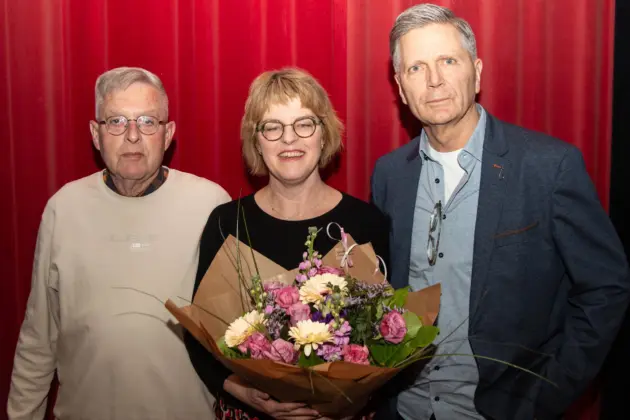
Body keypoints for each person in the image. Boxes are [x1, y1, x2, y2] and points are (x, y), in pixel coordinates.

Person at [370, 4, 630, 420]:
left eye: (448, 61)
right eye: (416, 68)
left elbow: (605, 288)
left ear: (476, 73)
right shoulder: (389, 175)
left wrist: (547, 393)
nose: (434, 80)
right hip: (405, 408)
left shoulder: (549, 167)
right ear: (401, 87)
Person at [7, 67, 230, 420]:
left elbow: (237, 331)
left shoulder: (211, 205)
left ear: (168, 134)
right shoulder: (63, 209)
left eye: (147, 122)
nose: (132, 136)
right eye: (116, 122)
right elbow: (38, 338)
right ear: (96, 134)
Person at [185, 67, 390, 420]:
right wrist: (244, 392)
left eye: (304, 124)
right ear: (257, 141)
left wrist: (349, 402)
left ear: (324, 135)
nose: (289, 139)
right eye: (272, 127)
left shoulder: (365, 222)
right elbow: (200, 337)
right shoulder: (227, 223)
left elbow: (390, 337)